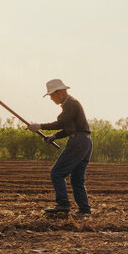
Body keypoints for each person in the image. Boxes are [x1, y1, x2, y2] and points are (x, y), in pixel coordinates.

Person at [27, 79, 92, 215]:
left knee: (57, 173)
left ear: (60, 92)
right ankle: (84, 210)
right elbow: (69, 129)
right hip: (85, 142)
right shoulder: (71, 104)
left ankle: (63, 205)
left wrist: (40, 126)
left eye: (52, 95)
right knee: (77, 179)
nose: (51, 99)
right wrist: (54, 137)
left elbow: (61, 123)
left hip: (78, 142)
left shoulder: (70, 104)